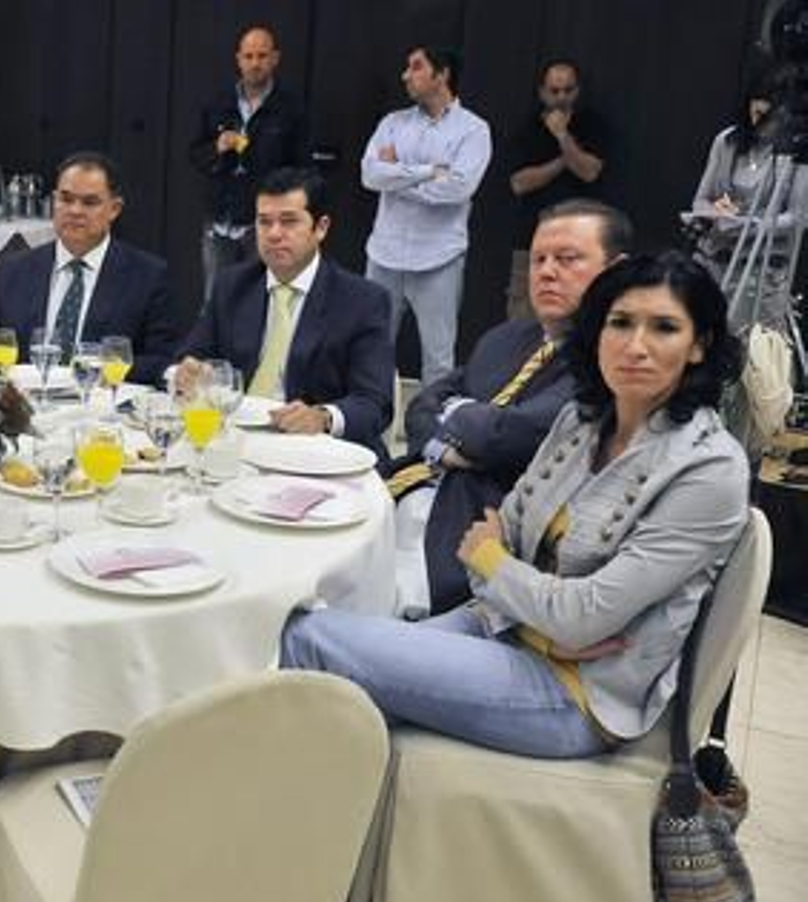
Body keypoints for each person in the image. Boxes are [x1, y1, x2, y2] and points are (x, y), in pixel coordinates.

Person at [282, 251, 750, 759]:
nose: (635, 346)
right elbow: (489, 538)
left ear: (698, 346)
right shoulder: (582, 421)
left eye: (663, 327)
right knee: (330, 696)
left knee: (309, 637)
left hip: (576, 692)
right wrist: (537, 610)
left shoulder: (708, 469)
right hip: (503, 627)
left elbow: (568, 611)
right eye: (620, 323)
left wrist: (509, 578)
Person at [388, 199, 632, 616]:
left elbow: (511, 436)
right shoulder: (506, 337)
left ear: (616, 271)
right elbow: (423, 404)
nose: (547, 272)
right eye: (539, 259)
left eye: (567, 259)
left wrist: (461, 416)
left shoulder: (613, 362)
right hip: (409, 487)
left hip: (473, 536)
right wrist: (450, 443)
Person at [172, 167, 395, 458]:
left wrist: (323, 416)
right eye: (264, 222)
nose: (274, 234)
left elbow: (375, 403)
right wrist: (184, 373)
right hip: (234, 441)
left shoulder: (362, 300)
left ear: (321, 227)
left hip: (316, 452)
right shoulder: (232, 284)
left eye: (288, 221)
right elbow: (190, 357)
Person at [0, 151, 176, 377]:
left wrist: (97, 371)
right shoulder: (14, 270)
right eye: (66, 199)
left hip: (103, 403)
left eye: (90, 202)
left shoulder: (147, 276)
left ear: (114, 209)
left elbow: (162, 361)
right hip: (25, 404)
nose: (75, 211)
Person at [361, 46, 492, 388]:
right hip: (384, 255)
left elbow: (458, 189)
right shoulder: (393, 123)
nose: (406, 75)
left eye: (416, 67)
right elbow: (370, 176)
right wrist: (429, 171)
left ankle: (430, 436)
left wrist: (397, 176)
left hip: (439, 258)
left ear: (442, 74)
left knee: (438, 359)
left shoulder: (473, 130)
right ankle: (369, 423)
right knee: (370, 349)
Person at [188, 24, 310, 300]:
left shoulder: (290, 107)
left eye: (262, 56)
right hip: (219, 219)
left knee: (260, 301)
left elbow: (302, 167)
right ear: (238, 59)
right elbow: (195, 154)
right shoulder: (218, 102)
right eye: (249, 56)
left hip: (266, 223)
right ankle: (216, 346)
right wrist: (217, 147)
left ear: (275, 59)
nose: (255, 63)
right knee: (215, 299)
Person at [687, 82, 808, 328]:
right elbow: (701, 200)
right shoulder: (727, 141)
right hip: (712, 259)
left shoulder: (797, 156)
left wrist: (749, 224)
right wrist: (715, 212)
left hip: (759, 272)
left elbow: (798, 218)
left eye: (770, 119)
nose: (760, 125)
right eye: (757, 115)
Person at [503, 60, 610, 320]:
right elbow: (519, 183)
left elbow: (589, 171)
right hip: (532, 242)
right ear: (542, 92)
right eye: (554, 91)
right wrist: (566, 160)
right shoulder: (527, 127)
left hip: (579, 246)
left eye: (568, 90)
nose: (561, 98)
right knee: (522, 320)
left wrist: (562, 136)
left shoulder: (592, 125)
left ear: (578, 91)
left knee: (576, 320)